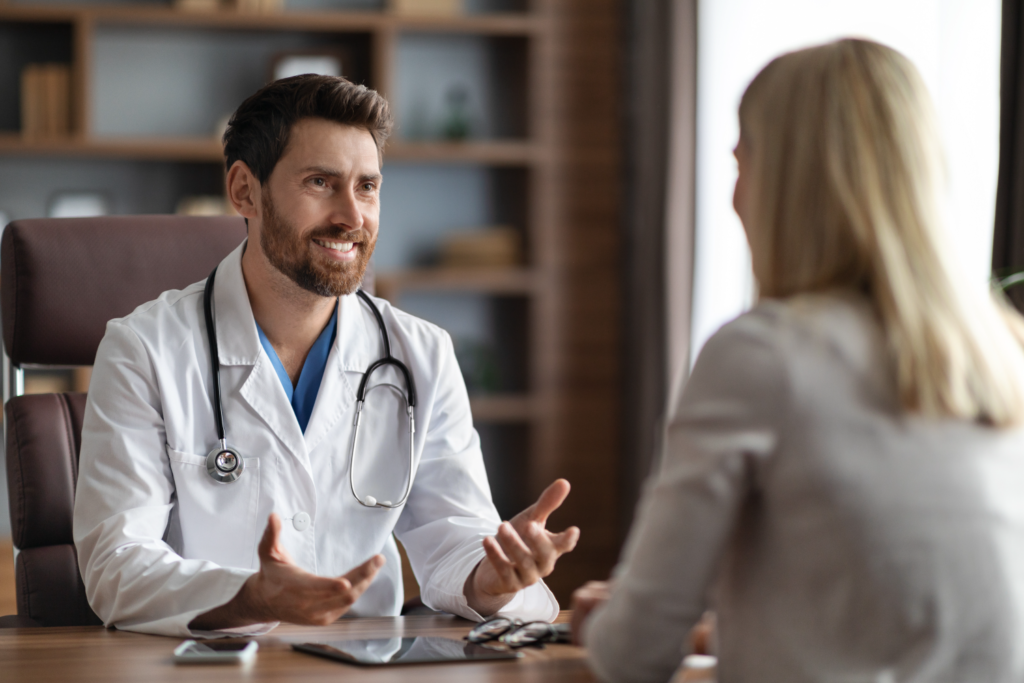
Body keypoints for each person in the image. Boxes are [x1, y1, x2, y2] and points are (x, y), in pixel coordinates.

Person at [572, 38, 1024, 683]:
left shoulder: (764, 355)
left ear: (784, 180)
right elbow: (899, 608)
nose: (734, 197)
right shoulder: (1001, 353)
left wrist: (606, 624)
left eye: (740, 163)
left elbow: (635, 653)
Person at [72, 74, 579, 637]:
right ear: (244, 191)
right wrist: (248, 597)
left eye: (367, 187)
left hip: (363, 664)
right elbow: (115, 566)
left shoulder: (420, 353)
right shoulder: (144, 349)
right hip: (214, 665)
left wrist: (491, 578)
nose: (352, 216)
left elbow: (454, 536)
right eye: (320, 182)